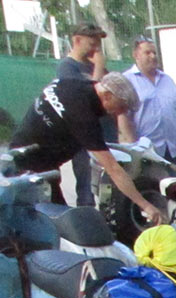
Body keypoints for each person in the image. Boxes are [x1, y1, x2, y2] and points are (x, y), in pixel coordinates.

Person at [10, 72, 164, 225]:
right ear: (107, 95)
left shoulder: (71, 82)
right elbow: (113, 169)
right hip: (30, 171)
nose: (120, 113)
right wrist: (144, 204)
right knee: (60, 224)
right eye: (121, 106)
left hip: (22, 154)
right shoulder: (83, 116)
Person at [119, 37, 176, 171]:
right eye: (147, 53)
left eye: (154, 52)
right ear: (136, 55)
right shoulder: (127, 80)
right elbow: (122, 116)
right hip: (147, 154)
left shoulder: (167, 79)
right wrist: (133, 146)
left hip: (175, 151)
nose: (153, 56)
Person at [56, 22, 108, 206]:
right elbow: (85, 97)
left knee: (107, 185)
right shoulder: (68, 67)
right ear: (77, 40)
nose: (96, 49)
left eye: (98, 43)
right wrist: (99, 67)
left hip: (104, 133)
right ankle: (87, 215)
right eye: (92, 43)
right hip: (83, 138)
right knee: (86, 186)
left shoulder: (93, 66)